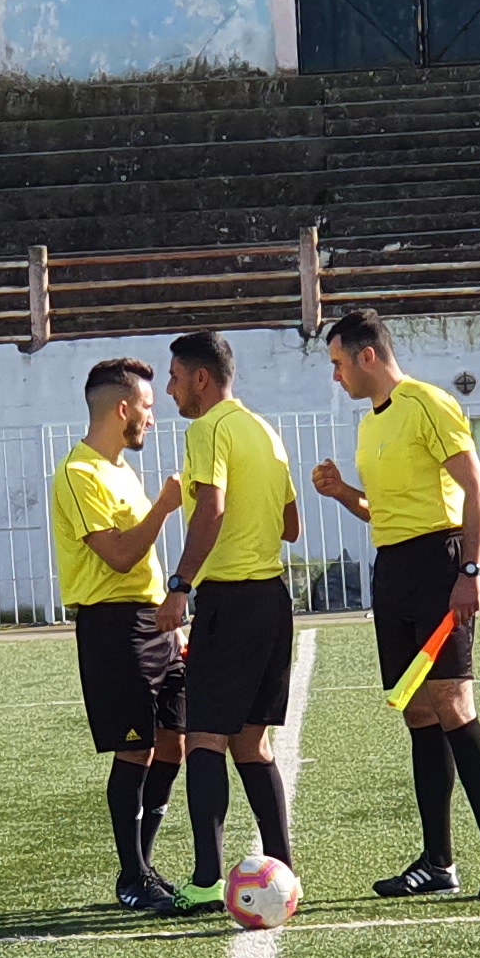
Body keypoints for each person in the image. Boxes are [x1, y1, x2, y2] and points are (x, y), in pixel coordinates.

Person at [307, 308, 480, 900]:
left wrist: (469, 570)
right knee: (417, 712)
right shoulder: (369, 425)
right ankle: (438, 862)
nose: (336, 375)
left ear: (367, 356)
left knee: (453, 702)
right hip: (392, 570)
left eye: (339, 363)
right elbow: (384, 513)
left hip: (439, 565)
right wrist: (343, 493)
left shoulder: (429, 403)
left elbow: (477, 490)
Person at [159, 328, 303, 897]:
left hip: (230, 601)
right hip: (272, 601)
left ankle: (204, 881)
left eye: (174, 378)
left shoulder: (207, 429)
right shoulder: (265, 431)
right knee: (251, 742)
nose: (169, 390)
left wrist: (180, 584)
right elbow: (291, 527)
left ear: (201, 378)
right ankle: (284, 874)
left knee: (203, 739)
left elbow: (211, 509)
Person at [49, 356, 195, 912]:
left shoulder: (120, 470)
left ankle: (144, 866)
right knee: (136, 748)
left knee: (174, 741)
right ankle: (131, 877)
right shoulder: (79, 474)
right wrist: (164, 507)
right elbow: (118, 556)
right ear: (122, 408)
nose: (153, 418)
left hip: (155, 623)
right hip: (113, 626)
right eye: (148, 407)